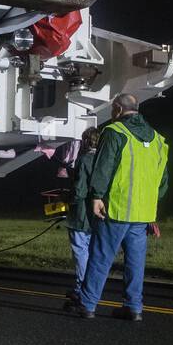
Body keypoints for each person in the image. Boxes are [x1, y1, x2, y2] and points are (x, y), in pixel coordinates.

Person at [64, 91, 168, 322]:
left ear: (118, 110)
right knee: (135, 262)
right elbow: (163, 181)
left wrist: (97, 196)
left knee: (101, 258)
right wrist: (150, 204)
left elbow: (104, 167)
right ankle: (133, 307)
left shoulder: (114, 132)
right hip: (142, 213)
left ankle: (88, 304)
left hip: (117, 209)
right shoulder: (159, 140)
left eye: (112, 110)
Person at [64, 126, 99, 298]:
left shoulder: (84, 159)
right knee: (93, 251)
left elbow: (79, 189)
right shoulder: (105, 160)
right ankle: (92, 288)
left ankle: (81, 288)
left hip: (81, 214)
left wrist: (69, 200)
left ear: (85, 141)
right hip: (99, 215)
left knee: (80, 251)